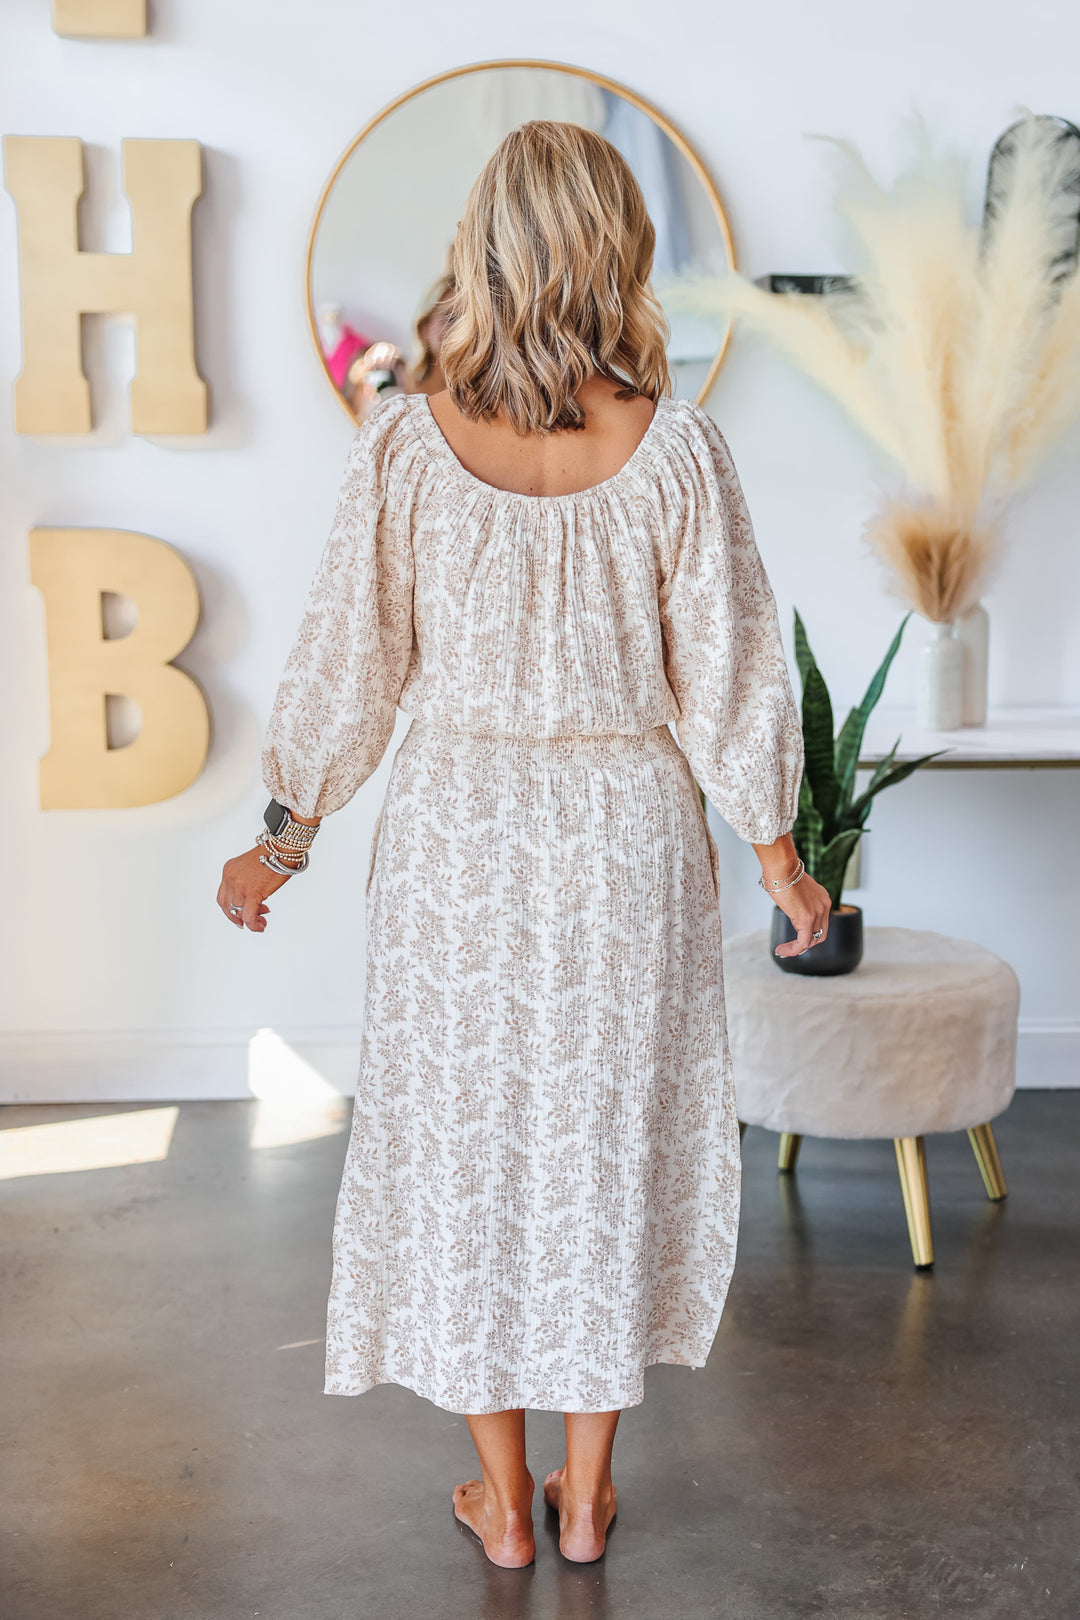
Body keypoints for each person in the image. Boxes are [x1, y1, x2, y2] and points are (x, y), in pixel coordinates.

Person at [217, 120, 829, 1570]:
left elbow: (347, 667)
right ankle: (590, 1489)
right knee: (608, 1152)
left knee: (466, 1155)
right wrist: (783, 857)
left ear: (483, 251)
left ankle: (501, 1507)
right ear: (619, 251)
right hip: (626, 842)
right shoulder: (678, 449)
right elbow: (734, 679)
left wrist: (283, 841)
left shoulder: (403, 454)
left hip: (459, 843)